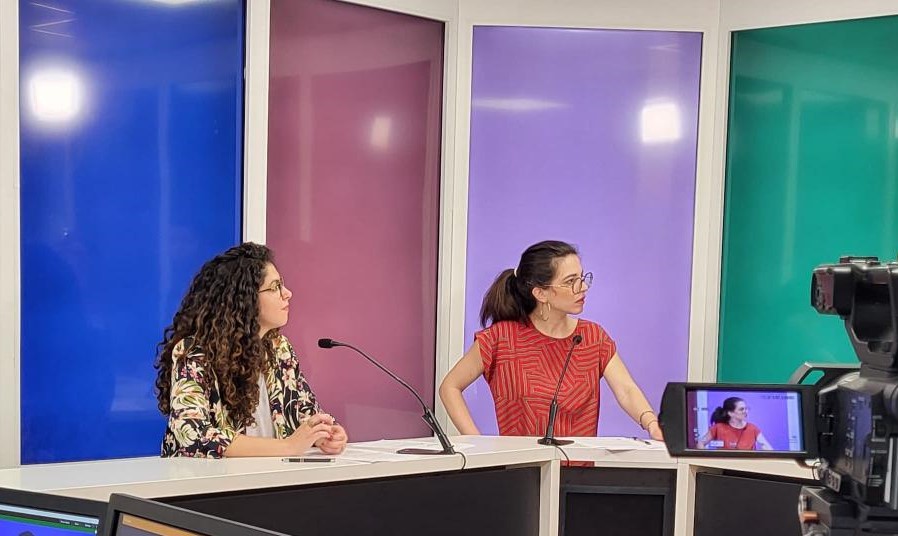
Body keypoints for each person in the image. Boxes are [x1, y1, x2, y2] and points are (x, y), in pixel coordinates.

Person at [439, 240, 663, 441]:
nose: (583, 287)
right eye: (571, 281)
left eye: (582, 278)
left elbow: (626, 389)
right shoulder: (500, 339)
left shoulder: (593, 337)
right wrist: (479, 443)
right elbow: (450, 387)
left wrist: (652, 424)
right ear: (541, 294)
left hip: (578, 474)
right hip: (522, 473)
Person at [154, 242, 348, 458]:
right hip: (208, 485)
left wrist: (323, 434)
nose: (288, 294)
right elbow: (194, 435)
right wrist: (289, 446)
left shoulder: (279, 349)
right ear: (245, 300)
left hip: (269, 481)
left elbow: (304, 413)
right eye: (275, 287)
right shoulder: (194, 353)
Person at [695, 397, 772, 450]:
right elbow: (700, 443)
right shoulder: (718, 428)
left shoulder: (753, 428)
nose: (745, 412)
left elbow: (767, 447)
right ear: (730, 413)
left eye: (746, 408)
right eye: (741, 409)